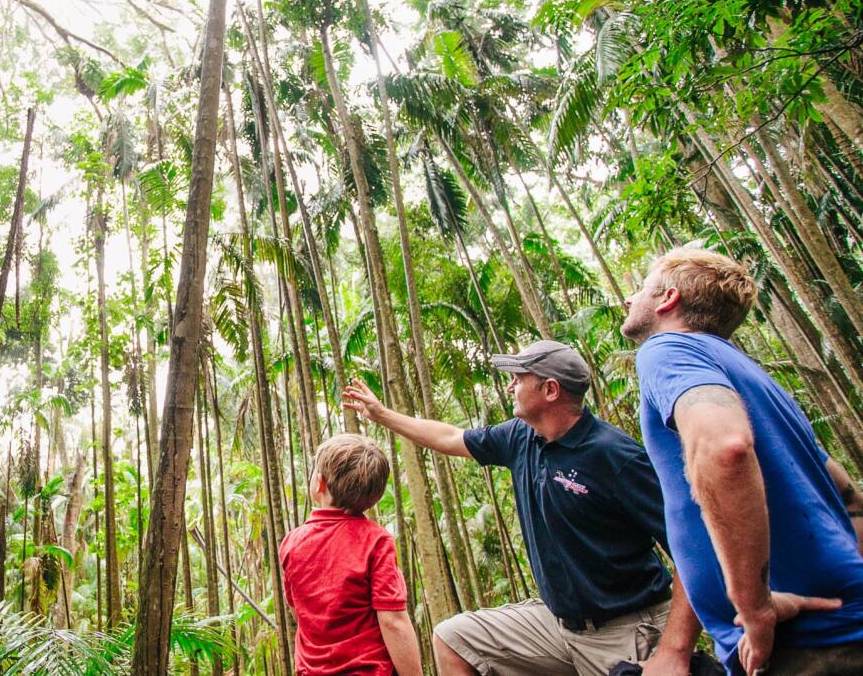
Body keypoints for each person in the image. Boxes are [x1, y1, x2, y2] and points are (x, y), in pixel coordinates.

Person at [344, 341, 700, 676]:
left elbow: (696, 550)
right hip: (558, 625)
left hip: (625, 628)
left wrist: (675, 650)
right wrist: (382, 415)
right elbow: (451, 438)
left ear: (550, 390)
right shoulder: (520, 436)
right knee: (455, 638)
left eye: (519, 377)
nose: (511, 385)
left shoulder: (615, 455)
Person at [622, 247, 863, 675]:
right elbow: (849, 496)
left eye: (640, 288)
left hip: (801, 645)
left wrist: (754, 607)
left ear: (667, 299)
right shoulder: (752, 376)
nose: (629, 299)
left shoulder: (666, 349)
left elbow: (725, 447)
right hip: (842, 624)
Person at [278, 433, 425, 676]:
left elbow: (297, 610)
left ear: (320, 483)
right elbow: (393, 621)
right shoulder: (376, 540)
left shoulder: (292, 543)